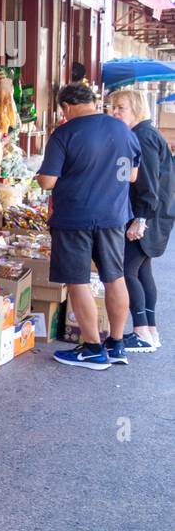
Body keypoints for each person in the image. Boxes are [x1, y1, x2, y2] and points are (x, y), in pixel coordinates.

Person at [37, 82, 140, 369]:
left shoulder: (64, 133)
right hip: (114, 216)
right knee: (114, 276)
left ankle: (93, 348)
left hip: (75, 217)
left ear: (66, 107)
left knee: (78, 280)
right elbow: (132, 175)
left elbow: (47, 181)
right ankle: (117, 344)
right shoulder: (122, 129)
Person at [106, 89, 175, 351]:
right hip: (156, 214)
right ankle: (149, 331)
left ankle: (140, 331)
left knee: (126, 271)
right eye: (113, 107)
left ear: (135, 108)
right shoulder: (147, 133)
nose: (115, 112)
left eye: (120, 107)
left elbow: (148, 183)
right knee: (142, 270)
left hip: (146, 215)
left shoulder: (142, 136)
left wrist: (140, 220)